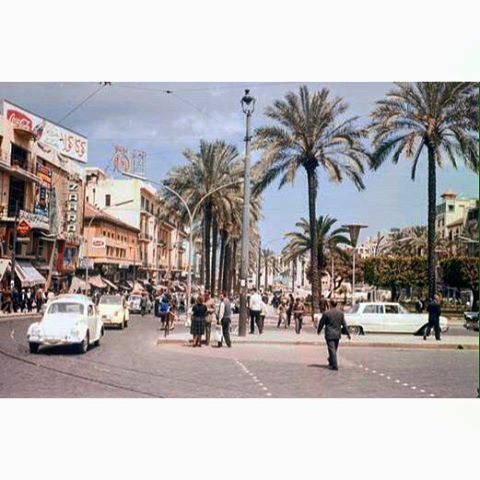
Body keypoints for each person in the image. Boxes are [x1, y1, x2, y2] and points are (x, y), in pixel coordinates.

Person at [317, 300, 351, 370]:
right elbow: (344, 324)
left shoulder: (326, 313)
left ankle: (334, 365)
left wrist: (319, 330)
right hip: (337, 334)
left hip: (329, 334)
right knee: (334, 349)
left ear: (330, 304)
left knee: (332, 350)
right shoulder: (340, 313)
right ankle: (331, 360)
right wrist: (348, 333)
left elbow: (321, 322)